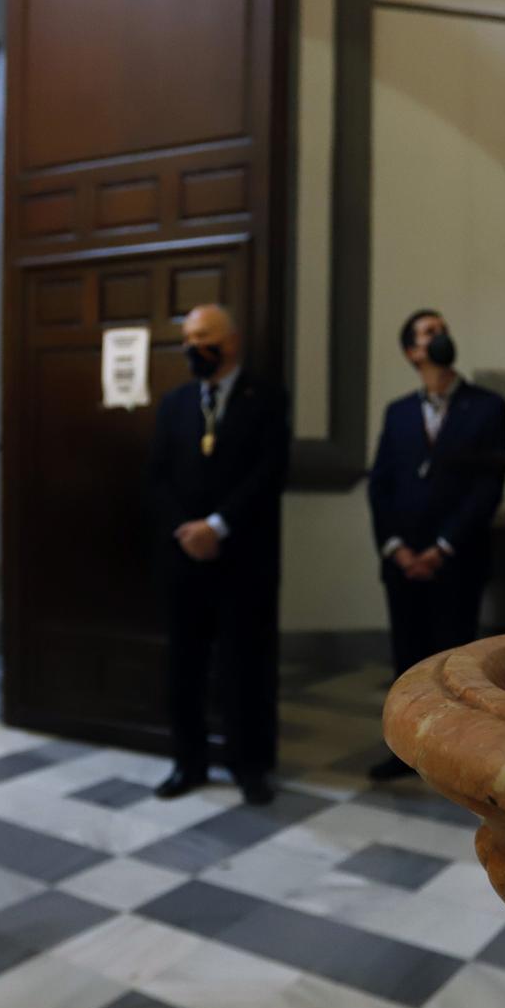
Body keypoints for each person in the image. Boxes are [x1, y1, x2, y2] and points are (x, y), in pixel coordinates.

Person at [148, 303, 290, 806]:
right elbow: (159, 477)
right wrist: (185, 531)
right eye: (186, 338)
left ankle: (249, 766)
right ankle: (187, 763)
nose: (191, 347)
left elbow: (268, 473)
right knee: (184, 666)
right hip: (185, 559)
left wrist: (218, 525)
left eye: (201, 336)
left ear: (229, 342)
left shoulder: (268, 400)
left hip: (243, 558)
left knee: (245, 667)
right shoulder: (175, 403)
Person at [366, 309, 505, 781]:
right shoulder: (398, 412)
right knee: (406, 658)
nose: (441, 336)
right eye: (429, 333)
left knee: (453, 662)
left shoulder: (487, 407)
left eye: (443, 329)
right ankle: (404, 749)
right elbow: (380, 485)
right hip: (403, 561)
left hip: (457, 561)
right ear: (412, 352)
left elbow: (487, 488)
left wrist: (443, 546)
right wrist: (396, 548)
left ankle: (453, 757)